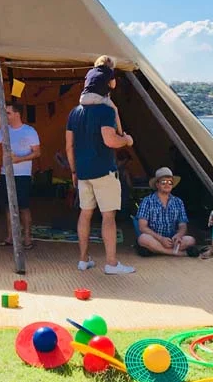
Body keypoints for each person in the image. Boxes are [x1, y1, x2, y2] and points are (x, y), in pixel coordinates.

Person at [65, 66, 136, 275]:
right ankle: (111, 263)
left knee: (85, 214)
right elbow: (110, 140)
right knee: (108, 217)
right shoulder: (106, 111)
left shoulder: (74, 112)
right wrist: (126, 140)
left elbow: (69, 146)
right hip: (104, 171)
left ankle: (83, 259)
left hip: (83, 172)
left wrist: (73, 171)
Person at [0, 101, 41, 250]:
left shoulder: (29, 131)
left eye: (8, 113)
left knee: (23, 207)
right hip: (6, 173)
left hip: (22, 175)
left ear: (17, 114)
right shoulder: (3, 130)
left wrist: (19, 159)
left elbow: (37, 152)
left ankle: (27, 238)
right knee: (8, 206)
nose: (5, 116)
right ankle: (10, 237)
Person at [135, 167, 196, 257]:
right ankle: (177, 253)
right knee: (143, 238)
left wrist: (179, 235)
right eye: (163, 182)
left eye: (170, 182)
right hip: (155, 238)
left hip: (172, 240)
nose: (167, 184)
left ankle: (157, 250)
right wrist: (161, 239)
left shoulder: (178, 201)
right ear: (157, 184)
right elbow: (142, 227)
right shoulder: (147, 201)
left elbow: (183, 225)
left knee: (190, 240)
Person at [78, 55, 124, 136]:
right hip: (97, 97)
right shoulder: (109, 71)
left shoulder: (90, 71)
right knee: (114, 109)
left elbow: (86, 85)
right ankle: (120, 133)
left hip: (84, 98)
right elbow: (113, 86)